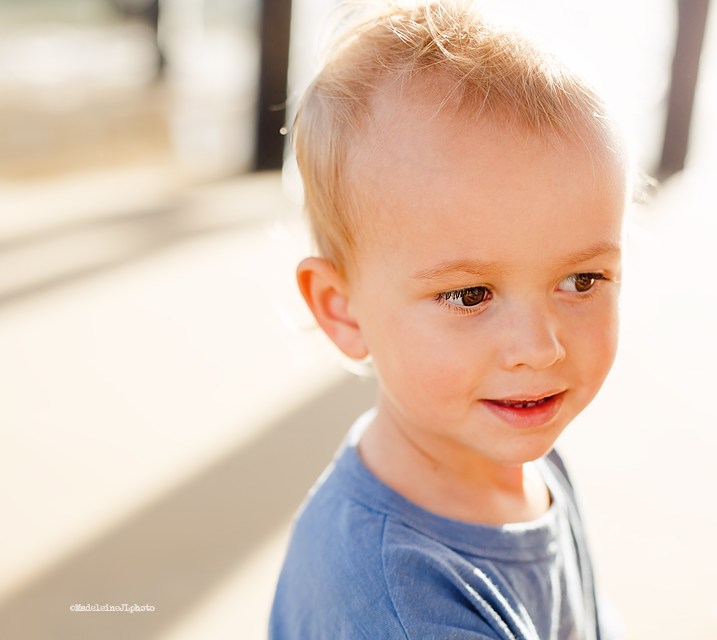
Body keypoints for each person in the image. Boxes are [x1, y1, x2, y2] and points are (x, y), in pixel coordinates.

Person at [269, 2, 630, 639]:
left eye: (582, 280)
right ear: (341, 308)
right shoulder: (404, 609)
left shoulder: (525, 458)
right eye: (469, 296)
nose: (539, 349)